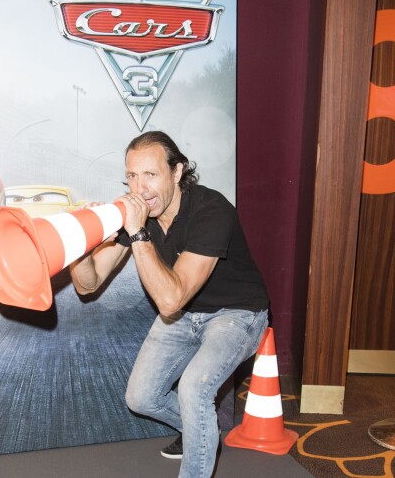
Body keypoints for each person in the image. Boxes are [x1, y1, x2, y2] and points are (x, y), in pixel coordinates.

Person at [69, 131, 270, 478]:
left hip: (237, 313)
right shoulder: (135, 215)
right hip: (183, 316)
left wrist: (137, 233)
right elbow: (89, 284)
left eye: (151, 175)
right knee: (141, 398)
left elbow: (170, 298)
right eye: (132, 175)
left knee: (194, 388)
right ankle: (203, 431)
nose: (140, 188)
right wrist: (81, 243)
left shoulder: (212, 210)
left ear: (177, 173)